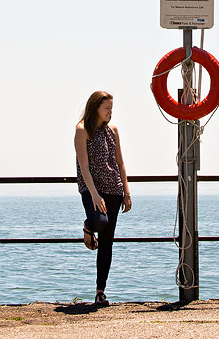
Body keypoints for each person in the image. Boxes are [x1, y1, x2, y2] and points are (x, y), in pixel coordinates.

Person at [74, 90, 131, 305]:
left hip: (114, 189)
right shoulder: (82, 130)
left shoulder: (112, 130)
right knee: (99, 221)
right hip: (92, 189)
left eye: (111, 108)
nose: (110, 112)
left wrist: (126, 191)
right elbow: (84, 167)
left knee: (107, 241)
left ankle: (100, 291)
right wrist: (95, 195)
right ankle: (88, 227)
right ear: (95, 108)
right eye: (106, 108)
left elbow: (120, 162)